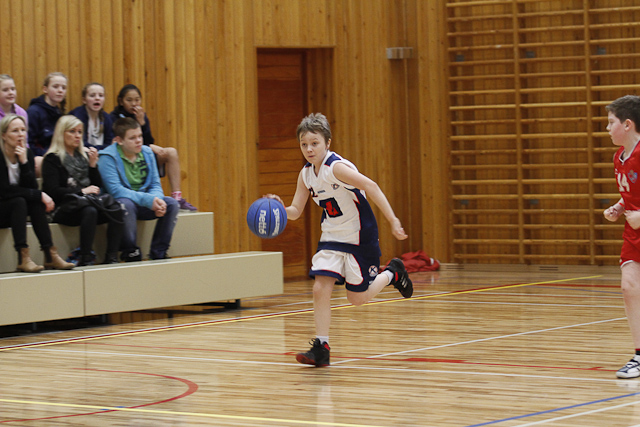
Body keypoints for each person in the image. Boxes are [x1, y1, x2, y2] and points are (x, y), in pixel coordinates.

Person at [267, 113, 413, 367]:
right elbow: (296, 211)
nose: (309, 149)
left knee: (357, 298)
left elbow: (372, 186)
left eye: (315, 143)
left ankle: (393, 273)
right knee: (319, 287)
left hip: (359, 236)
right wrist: (278, 209)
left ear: (327, 143)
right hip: (332, 236)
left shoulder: (336, 168)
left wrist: (393, 220)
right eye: (304, 144)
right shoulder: (306, 175)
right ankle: (321, 347)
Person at [41, 115, 123, 266]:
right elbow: (53, 191)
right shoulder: (52, 159)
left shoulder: (83, 156)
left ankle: (111, 256)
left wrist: (92, 165)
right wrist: (81, 192)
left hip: (86, 202)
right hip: (63, 207)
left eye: (79, 132)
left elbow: (97, 186)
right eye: (72, 131)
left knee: (116, 209)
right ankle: (86, 257)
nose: (77, 136)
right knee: (89, 211)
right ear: (61, 133)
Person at [0, 114, 74, 272]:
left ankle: (50, 255)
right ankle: (23, 257)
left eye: (23, 130)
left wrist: (24, 163)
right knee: (20, 201)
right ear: (4, 135)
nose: (20, 134)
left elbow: (32, 187)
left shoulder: (26, 154)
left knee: (35, 203)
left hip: (14, 209)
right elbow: (4, 191)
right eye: (15, 131)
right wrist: (39, 194)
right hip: (3, 207)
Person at [98, 117, 179, 261]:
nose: (139, 141)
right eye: (132, 138)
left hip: (144, 202)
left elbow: (155, 184)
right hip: (120, 205)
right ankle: (130, 252)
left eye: (140, 136)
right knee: (125, 203)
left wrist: (157, 200)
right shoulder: (107, 157)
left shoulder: (147, 153)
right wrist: (149, 200)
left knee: (172, 204)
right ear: (119, 140)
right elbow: (116, 191)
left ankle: (159, 252)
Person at [110, 84, 196, 211]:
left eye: (137, 100)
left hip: (143, 153)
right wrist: (150, 146)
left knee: (171, 152)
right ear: (121, 101)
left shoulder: (141, 116)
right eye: (129, 100)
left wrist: (142, 123)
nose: (133, 103)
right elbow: (117, 143)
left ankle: (177, 198)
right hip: (126, 156)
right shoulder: (113, 118)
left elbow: (148, 140)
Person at [604, 95, 640, 379]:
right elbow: (631, 192)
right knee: (629, 287)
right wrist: (619, 206)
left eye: (610, 122)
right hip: (634, 233)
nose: (607, 128)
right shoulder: (619, 157)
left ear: (627, 124)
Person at [26, 72, 68, 176]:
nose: (60, 90)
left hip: (57, 155)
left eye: (63, 87)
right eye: (55, 87)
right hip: (41, 157)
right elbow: (29, 143)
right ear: (45, 89)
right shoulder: (34, 112)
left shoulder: (59, 112)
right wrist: (48, 154)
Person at [69, 82, 114, 151]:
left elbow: (110, 142)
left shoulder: (106, 118)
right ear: (84, 100)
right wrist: (101, 149)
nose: (97, 98)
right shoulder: (77, 116)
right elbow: (81, 143)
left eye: (101, 95)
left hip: (101, 153)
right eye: (92, 95)